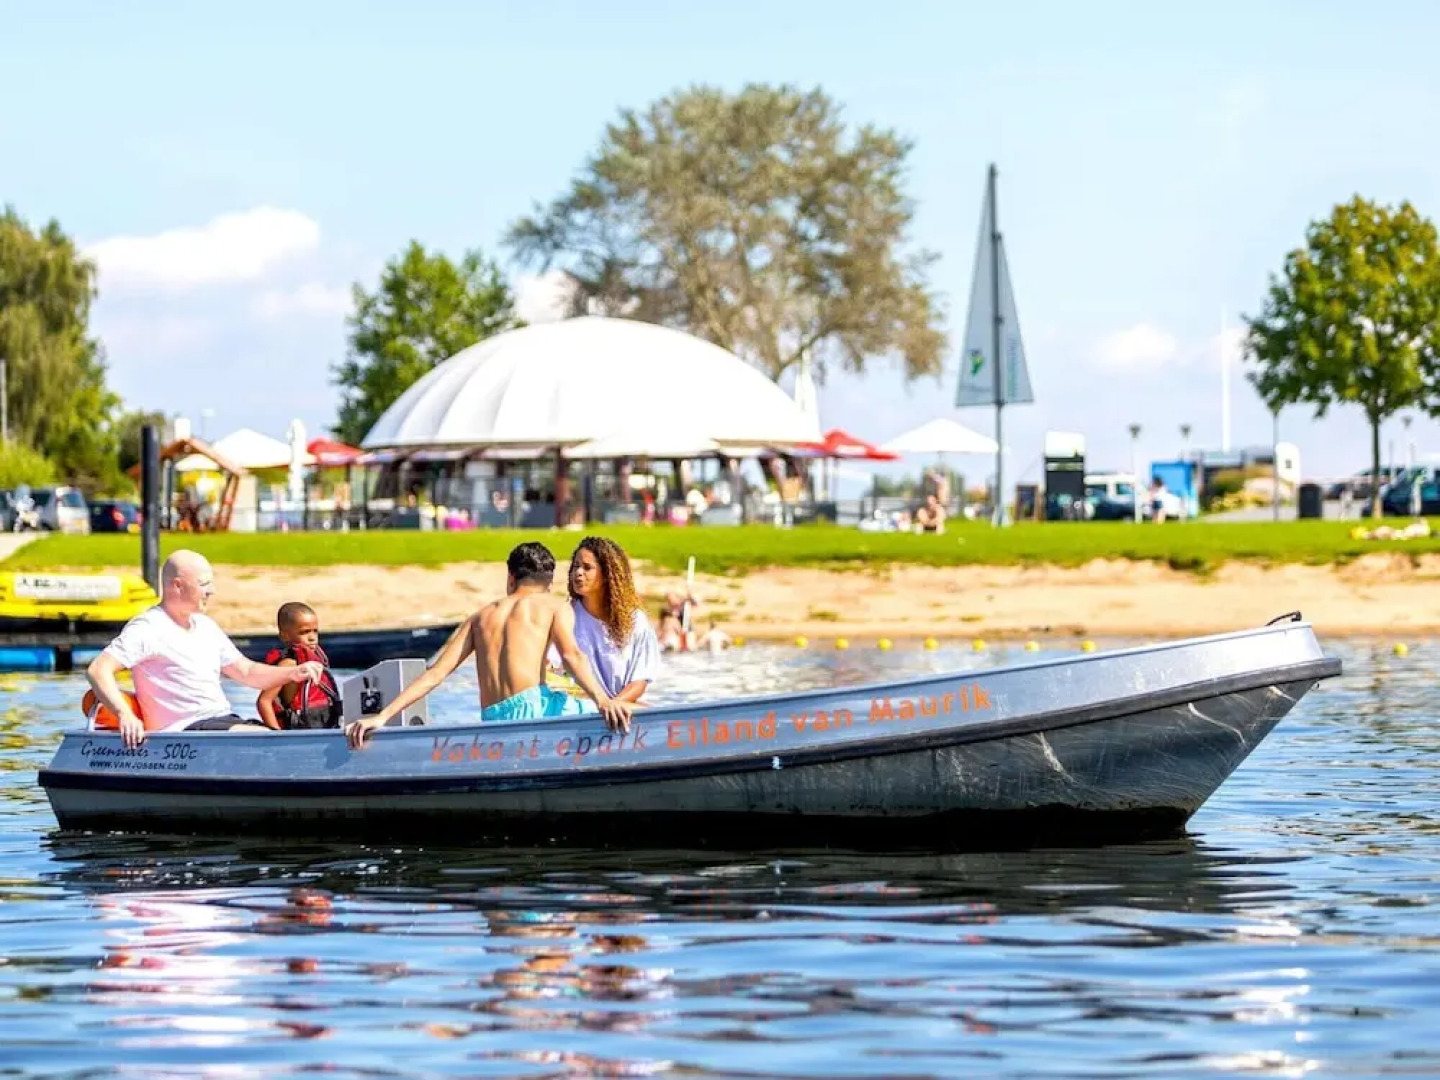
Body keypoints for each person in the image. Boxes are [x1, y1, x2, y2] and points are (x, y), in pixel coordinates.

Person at [345, 543, 632, 748]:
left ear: (511, 577)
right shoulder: (553, 606)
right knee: (629, 705)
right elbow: (572, 656)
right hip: (534, 710)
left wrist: (382, 716)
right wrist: (603, 700)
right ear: (548, 582)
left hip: (492, 717)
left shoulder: (479, 617)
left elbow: (435, 674)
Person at [86, 550, 326, 749]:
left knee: (282, 735)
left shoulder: (205, 625)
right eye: (204, 584)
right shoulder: (148, 628)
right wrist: (124, 715)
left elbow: (246, 672)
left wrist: (293, 673)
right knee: (269, 741)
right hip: (182, 733)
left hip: (220, 722)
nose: (212, 591)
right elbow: (98, 670)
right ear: (177, 586)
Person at [563, 536, 660, 703]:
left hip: (621, 705)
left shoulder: (636, 621)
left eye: (587, 567)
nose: (578, 572)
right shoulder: (565, 616)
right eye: (576, 566)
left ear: (607, 575)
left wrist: (611, 706)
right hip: (579, 706)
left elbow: (639, 681)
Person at [256, 602, 342, 730]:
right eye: (304, 632)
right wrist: (277, 734)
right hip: (298, 729)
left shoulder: (317, 660)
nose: (312, 637)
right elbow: (264, 701)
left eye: (315, 631)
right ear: (285, 636)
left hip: (323, 726)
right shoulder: (287, 665)